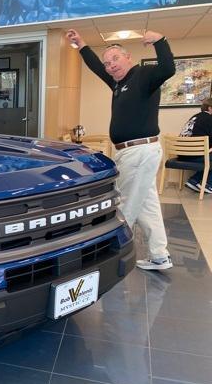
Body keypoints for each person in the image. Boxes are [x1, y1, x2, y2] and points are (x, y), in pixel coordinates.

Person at [66, 29, 176, 270]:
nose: (110, 66)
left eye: (115, 59)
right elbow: (95, 66)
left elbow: (168, 69)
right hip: (132, 153)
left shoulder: (143, 75)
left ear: (128, 58)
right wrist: (82, 43)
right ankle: (160, 255)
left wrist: (160, 41)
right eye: (108, 63)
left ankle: (110, 257)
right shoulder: (118, 83)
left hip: (139, 152)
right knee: (148, 205)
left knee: (124, 206)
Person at [180, 97, 212, 193]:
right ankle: (209, 184)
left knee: (208, 156)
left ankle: (193, 180)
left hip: (181, 154)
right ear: (210, 108)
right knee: (209, 157)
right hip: (194, 156)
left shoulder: (194, 117)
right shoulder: (210, 119)